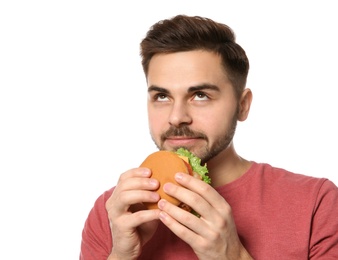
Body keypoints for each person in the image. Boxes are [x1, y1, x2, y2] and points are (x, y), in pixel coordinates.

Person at [80, 14, 338, 259]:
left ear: (242, 105)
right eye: (162, 96)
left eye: (200, 95)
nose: (176, 117)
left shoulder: (316, 203)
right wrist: (121, 256)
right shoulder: (114, 210)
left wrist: (233, 257)